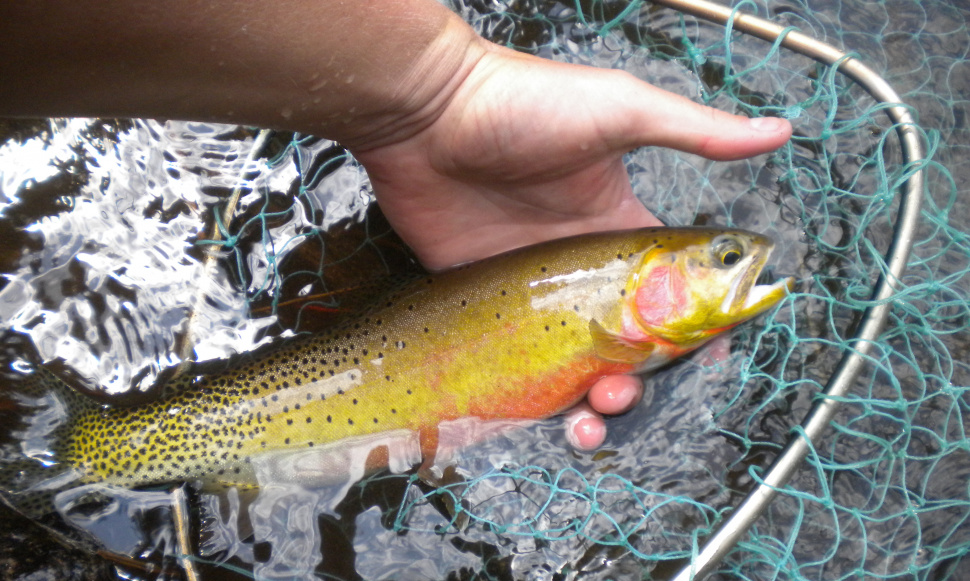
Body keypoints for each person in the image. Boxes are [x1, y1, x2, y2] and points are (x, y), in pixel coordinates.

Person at [1, 0, 792, 449]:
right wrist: (433, 92)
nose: (740, 260)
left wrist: (433, 95)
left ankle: (106, 445)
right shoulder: (618, 311)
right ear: (647, 281)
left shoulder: (623, 315)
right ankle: (104, 447)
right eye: (723, 256)